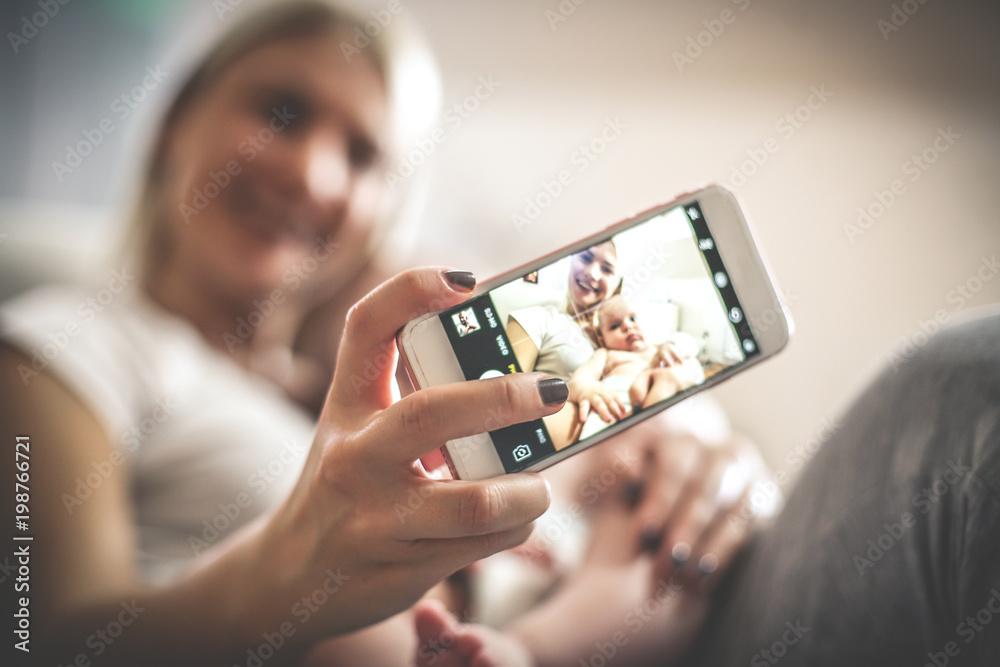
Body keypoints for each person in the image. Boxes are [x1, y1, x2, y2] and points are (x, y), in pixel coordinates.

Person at [0, 2, 771, 665]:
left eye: (362, 155)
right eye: (280, 112)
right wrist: (285, 576)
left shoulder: (377, 387)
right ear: (175, 125)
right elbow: (39, 636)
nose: (315, 176)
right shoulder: (67, 346)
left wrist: (709, 461)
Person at [570, 296, 705, 439]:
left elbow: (692, 344)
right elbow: (580, 378)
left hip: (667, 395)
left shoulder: (658, 347)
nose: (628, 326)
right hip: (621, 404)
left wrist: (672, 346)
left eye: (633, 319)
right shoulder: (607, 354)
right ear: (603, 339)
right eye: (614, 326)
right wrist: (586, 388)